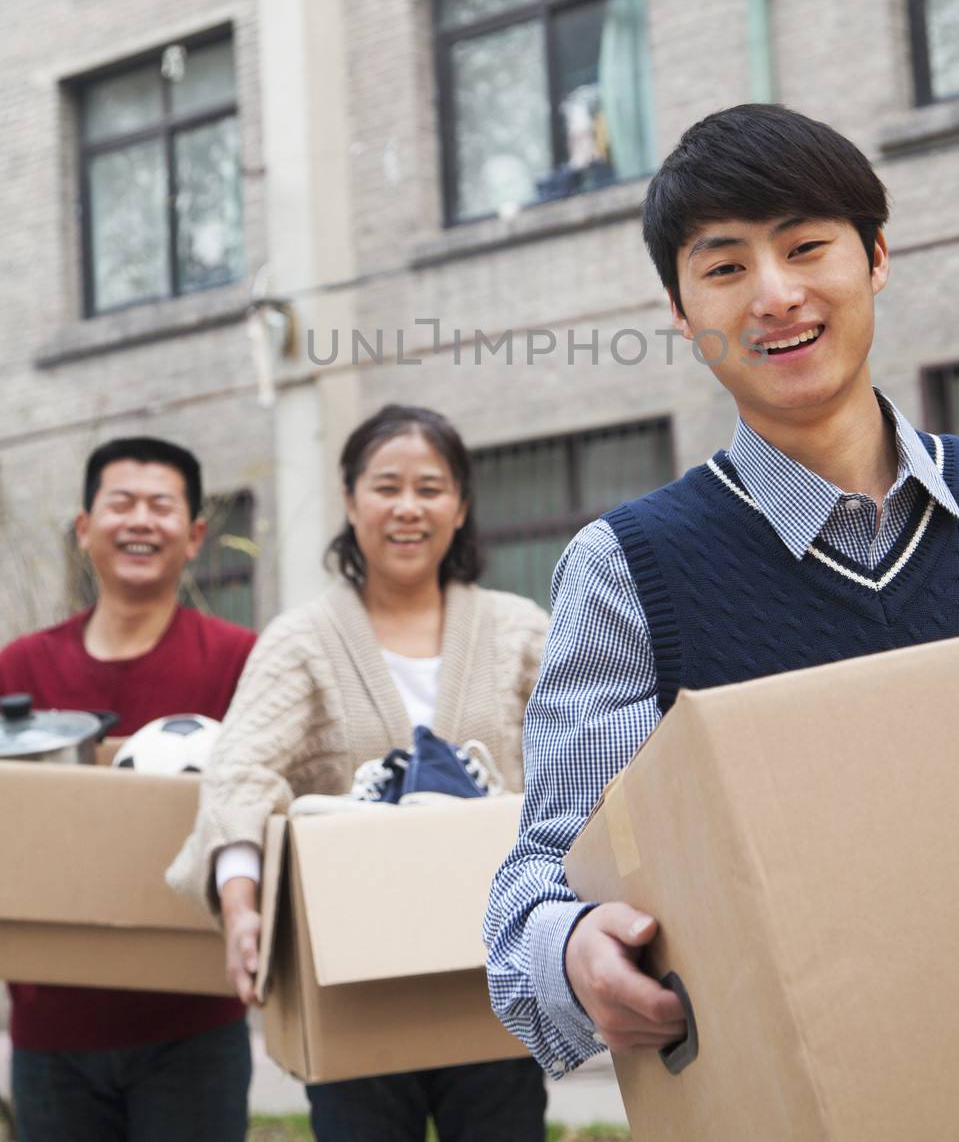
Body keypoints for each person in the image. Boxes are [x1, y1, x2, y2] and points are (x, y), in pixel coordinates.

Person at [484, 102, 959, 1075]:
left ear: (874, 256)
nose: (773, 294)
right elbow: (542, 876)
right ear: (678, 311)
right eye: (722, 267)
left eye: (805, 246)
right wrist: (577, 949)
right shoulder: (630, 571)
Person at [168, 403, 550, 1142]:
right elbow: (239, 773)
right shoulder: (301, 642)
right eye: (386, 486)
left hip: (492, 975)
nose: (408, 508)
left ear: (461, 506)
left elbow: (584, 761)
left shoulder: (520, 629)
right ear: (350, 501)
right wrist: (241, 903)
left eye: (430, 488)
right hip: (353, 984)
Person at [0, 436, 257, 1142]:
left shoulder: (243, 663)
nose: (140, 520)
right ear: (84, 530)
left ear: (195, 536)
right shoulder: (18, 672)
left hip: (194, 1025)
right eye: (120, 503)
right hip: (52, 1031)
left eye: (161, 506)